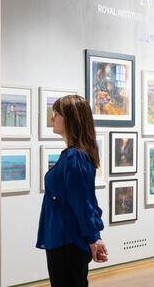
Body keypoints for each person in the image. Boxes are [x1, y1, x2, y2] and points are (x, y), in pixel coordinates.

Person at [36, 95, 108, 287]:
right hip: (63, 238)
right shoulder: (75, 156)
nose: (52, 118)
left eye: (56, 114)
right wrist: (95, 236)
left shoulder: (74, 158)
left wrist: (94, 238)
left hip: (66, 240)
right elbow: (87, 200)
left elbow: (83, 203)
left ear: (70, 119)